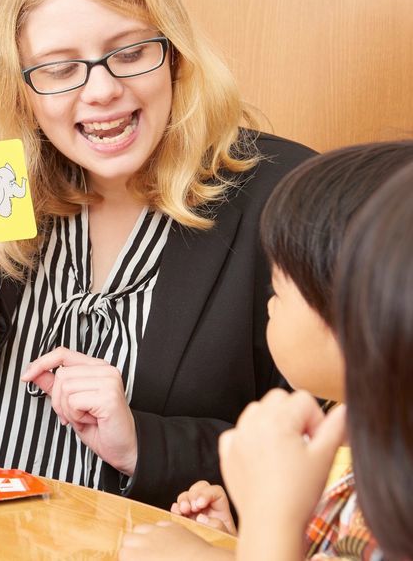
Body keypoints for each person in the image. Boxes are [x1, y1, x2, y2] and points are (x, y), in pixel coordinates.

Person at [0, 0, 315, 508]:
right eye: (60, 68)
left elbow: (319, 450)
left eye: (131, 51)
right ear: (20, 90)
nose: (101, 91)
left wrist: (143, 442)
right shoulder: (2, 183)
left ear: (174, 55)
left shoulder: (283, 195)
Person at [119, 141, 413, 560]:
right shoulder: (357, 447)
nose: (269, 303)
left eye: (279, 287)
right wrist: (252, 536)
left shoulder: (394, 495)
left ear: (365, 317)